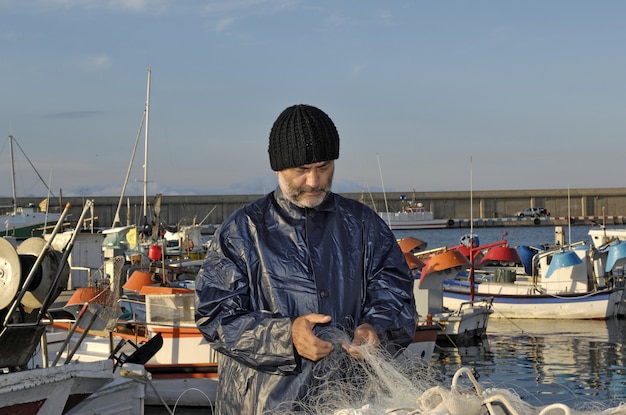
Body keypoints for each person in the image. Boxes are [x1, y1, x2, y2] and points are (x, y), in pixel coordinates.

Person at [195, 104, 417, 414]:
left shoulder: (365, 226)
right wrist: (285, 337)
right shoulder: (242, 230)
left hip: (351, 404)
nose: (314, 181)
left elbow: (396, 296)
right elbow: (215, 315)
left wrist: (375, 328)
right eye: (301, 170)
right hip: (259, 406)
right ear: (278, 168)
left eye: (324, 167)